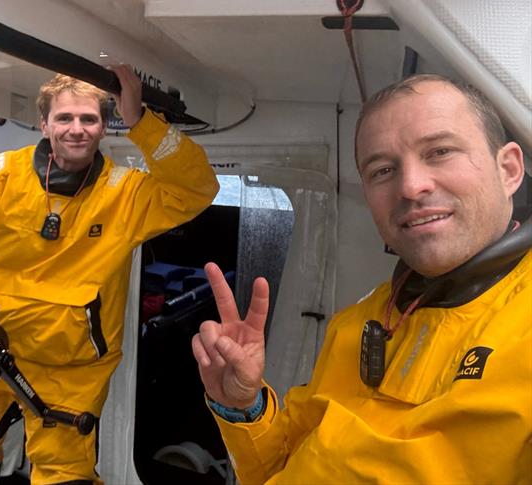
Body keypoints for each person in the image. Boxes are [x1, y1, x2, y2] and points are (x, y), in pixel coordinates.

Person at [192, 74, 531, 484]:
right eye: (383, 170)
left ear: (510, 169)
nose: (411, 185)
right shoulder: (360, 321)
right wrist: (243, 406)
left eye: (440, 151)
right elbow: (284, 465)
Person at [0, 64, 219, 485]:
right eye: (64, 118)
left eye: (89, 119)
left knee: (64, 475)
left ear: (104, 128)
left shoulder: (127, 192)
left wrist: (141, 122)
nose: (77, 129)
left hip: (72, 367)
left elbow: (198, 188)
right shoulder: (1, 174)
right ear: (44, 123)